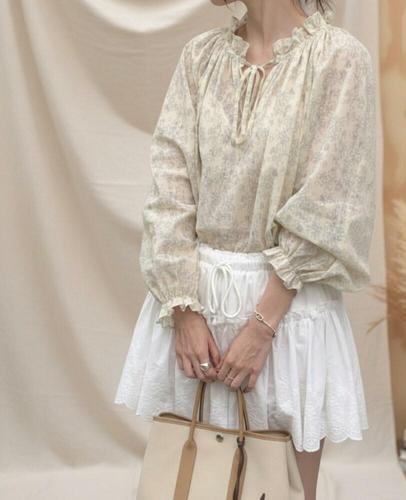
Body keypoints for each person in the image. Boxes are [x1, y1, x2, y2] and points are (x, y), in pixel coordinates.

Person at [114, 0, 376, 498]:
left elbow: (331, 201)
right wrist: (184, 309)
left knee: (280, 485)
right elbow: (168, 188)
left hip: (286, 312)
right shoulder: (200, 57)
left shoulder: (338, 58)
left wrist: (261, 327)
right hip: (196, 306)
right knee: (192, 478)